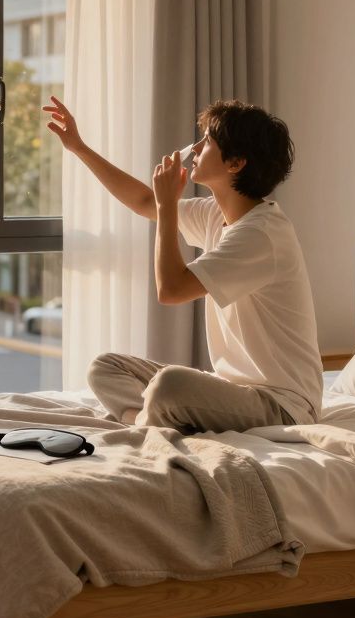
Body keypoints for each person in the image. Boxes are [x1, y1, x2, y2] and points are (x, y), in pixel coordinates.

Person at [41, 96, 322, 433]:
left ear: (235, 163)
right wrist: (79, 147)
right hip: (235, 390)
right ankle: (149, 421)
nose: (196, 147)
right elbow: (145, 202)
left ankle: (147, 421)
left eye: (207, 141)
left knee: (169, 385)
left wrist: (168, 205)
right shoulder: (218, 215)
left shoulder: (261, 235)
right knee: (106, 368)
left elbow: (171, 289)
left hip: (282, 406)